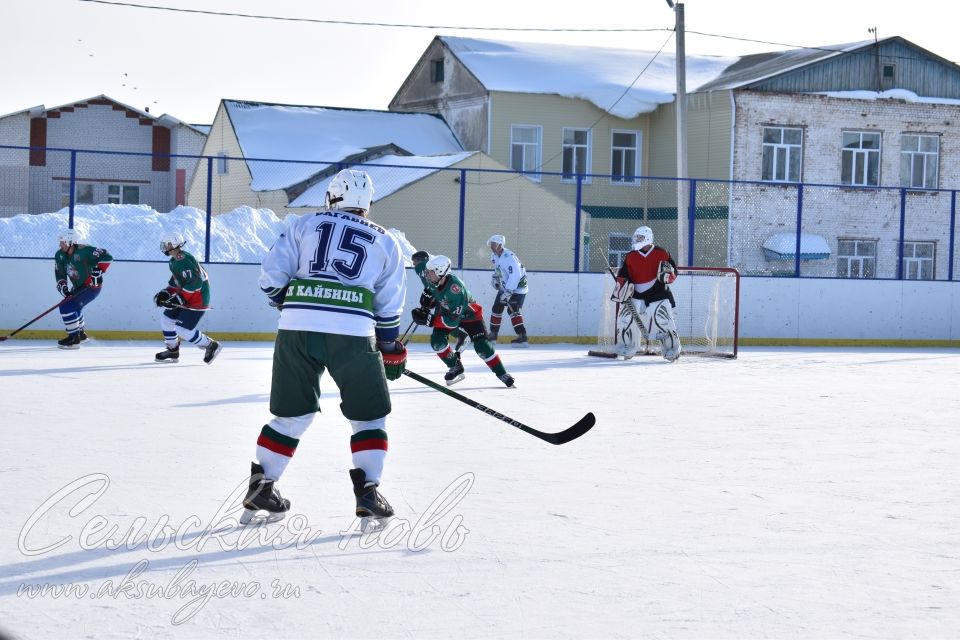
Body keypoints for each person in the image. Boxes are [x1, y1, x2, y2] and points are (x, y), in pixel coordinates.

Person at [241, 169, 407, 527]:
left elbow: (271, 275)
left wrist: (292, 301)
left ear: (332, 198)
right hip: (352, 331)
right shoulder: (386, 240)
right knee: (368, 417)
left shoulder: (305, 223)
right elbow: (389, 303)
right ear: (367, 205)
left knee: (290, 415)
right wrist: (390, 345)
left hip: (297, 328)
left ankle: (261, 487)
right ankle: (368, 492)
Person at [411, 254, 515, 388]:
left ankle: (502, 373)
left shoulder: (456, 289)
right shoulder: (433, 280)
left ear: (440, 271)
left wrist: (430, 320)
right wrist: (426, 304)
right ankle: (455, 365)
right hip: (448, 312)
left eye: (430, 272)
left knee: (482, 346)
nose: (427, 274)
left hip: (469, 316)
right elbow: (433, 295)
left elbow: (452, 321)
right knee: (437, 341)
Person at [612, 226, 681, 361]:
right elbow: (624, 274)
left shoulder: (662, 253)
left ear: (648, 238)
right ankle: (627, 347)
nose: (637, 240)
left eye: (640, 237)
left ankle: (672, 348)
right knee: (626, 319)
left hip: (658, 294)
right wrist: (621, 286)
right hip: (635, 295)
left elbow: (672, 270)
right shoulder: (631, 256)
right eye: (636, 237)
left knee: (663, 320)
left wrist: (671, 275)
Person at [152, 234, 222, 364]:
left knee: (183, 330)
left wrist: (179, 298)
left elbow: (196, 283)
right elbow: (178, 281)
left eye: (167, 244)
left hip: (197, 299)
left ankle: (211, 345)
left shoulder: (182, 260)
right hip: (187, 296)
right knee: (166, 320)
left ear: (174, 245)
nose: (165, 247)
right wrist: (166, 292)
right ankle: (173, 350)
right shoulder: (175, 260)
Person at [53, 229, 113, 349]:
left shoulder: (84, 250)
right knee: (75, 307)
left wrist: (99, 270)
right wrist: (63, 286)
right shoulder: (59, 255)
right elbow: (60, 273)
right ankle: (81, 334)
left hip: (91, 286)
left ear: (70, 241)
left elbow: (107, 256)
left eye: (63, 242)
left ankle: (74, 339)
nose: (60, 245)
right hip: (78, 287)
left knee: (66, 307)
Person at [411, 249, 470, 354]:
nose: (413, 263)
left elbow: (430, 283)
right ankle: (458, 335)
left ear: (420, 260)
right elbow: (430, 283)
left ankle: (453, 337)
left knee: (440, 320)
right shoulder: (428, 266)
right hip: (439, 292)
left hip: (440, 294)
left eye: (414, 260)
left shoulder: (420, 267)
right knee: (440, 320)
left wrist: (429, 298)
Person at [486, 234, 529, 346]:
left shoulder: (509, 258)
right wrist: (495, 278)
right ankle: (493, 335)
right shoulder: (494, 256)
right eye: (491, 244)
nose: (491, 246)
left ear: (500, 245)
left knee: (513, 310)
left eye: (494, 244)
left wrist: (509, 291)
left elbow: (516, 275)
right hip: (506, 286)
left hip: (518, 287)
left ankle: (522, 336)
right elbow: (499, 270)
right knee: (497, 308)